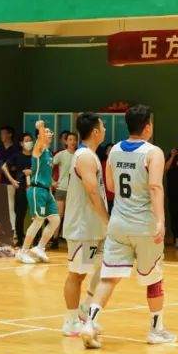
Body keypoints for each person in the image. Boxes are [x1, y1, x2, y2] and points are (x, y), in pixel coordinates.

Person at [81, 104, 176, 349]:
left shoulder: (113, 150)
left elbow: (111, 186)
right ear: (148, 127)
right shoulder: (153, 152)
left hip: (118, 223)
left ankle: (90, 322)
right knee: (154, 278)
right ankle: (156, 330)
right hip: (144, 225)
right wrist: (161, 221)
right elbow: (155, 187)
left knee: (109, 277)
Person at [61, 113, 110, 337]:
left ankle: (85, 309)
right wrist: (108, 221)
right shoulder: (84, 157)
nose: (105, 130)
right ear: (96, 131)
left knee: (108, 267)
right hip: (83, 227)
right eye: (103, 127)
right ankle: (71, 320)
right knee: (78, 274)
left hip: (94, 226)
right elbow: (92, 193)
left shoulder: (91, 155)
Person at [16, 121, 60, 264]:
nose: (49, 133)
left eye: (50, 131)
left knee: (55, 220)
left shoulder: (49, 153)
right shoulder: (38, 147)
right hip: (37, 189)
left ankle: (40, 248)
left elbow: (46, 173)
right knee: (38, 220)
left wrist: (52, 185)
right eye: (46, 131)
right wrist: (41, 126)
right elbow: (41, 137)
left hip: (46, 190)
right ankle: (23, 252)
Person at [1, 132, 35, 248]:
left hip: (35, 187)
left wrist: (32, 172)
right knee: (20, 213)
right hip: (21, 187)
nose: (29, 142)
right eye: (26, 140)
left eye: (30, 140)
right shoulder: (17, 156)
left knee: (36, 215)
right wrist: (12, 181)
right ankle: (20, 239)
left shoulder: (36, 156)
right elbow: (4, 167)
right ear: (21, 143)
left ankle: (36, 241)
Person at [51, 131, 78, 244]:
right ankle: (54, 239)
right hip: (61, 188)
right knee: (59, 216)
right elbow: (49, 167)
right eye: (70, 139)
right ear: (66, 141)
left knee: (72, 217)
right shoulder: (61, 154)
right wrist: (52, 181)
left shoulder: (79, 155)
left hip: (75, 190)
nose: (72, 142)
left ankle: (70, 240)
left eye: (74, 140)